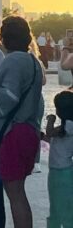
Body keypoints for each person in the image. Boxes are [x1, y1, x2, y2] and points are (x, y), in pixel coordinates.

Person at [0, 16, 44, 228]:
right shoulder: (33, 61)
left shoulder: (13, 60)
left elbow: (9, 97)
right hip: (28, 130)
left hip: (14, 134)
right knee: (19, 193)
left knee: (15, 194)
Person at [43, 90, 73, 228]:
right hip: (59, 171)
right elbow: (53, 139)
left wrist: (50, 120)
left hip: (61, 172)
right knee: (58, 204)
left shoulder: (69, 126)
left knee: (61, 206)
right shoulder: (66, 128)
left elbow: (50, 132)